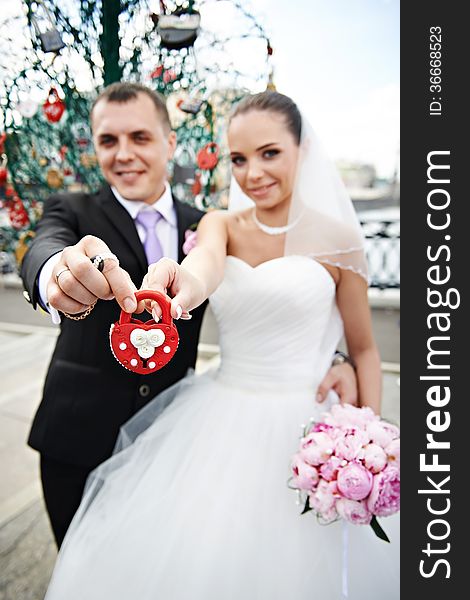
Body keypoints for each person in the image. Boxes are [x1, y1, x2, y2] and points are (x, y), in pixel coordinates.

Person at [43, 91, 399, 599]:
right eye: (238, 159)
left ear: (303, 150)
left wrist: (366, 450)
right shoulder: (218, 224)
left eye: (269, 153)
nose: (253, 173)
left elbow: (363, 349)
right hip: (217, 420)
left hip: (310, 422)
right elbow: (203, 266)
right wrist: (182, 286)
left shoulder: (341, 240)